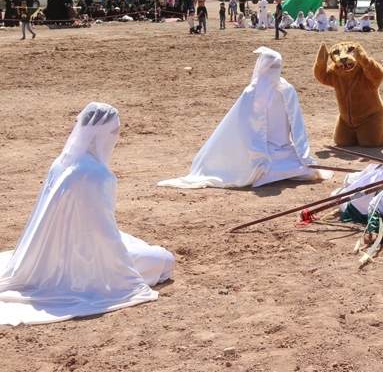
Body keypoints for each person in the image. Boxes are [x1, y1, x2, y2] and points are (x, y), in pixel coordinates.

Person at [0, 104, 174, 326]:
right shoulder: (96, 173)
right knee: (164, 261)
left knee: (136, 245)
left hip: (47, 252)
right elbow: (103, 235)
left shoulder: (61, 162)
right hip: (85, 261)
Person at [159, 48, 330, 189]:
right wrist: (258, 155)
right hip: (258, 152)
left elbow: (298, 126)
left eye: (277, 67)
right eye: (271, 67)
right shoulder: (251, 92)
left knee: (306, 171)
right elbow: (241, 127)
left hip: (285, 151)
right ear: (262, 68)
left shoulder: (287, 90)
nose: (274, 71)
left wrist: (304, 156)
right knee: (258, 171)